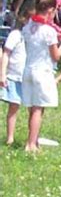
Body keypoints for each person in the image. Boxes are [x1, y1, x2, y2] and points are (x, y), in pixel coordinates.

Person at [22, 0, 61, 152]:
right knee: (38, 109)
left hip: (28, 69)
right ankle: (31, 144)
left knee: (32, 108)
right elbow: (56, 56)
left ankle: (33, 140)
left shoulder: (29, 26)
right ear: (51, 10)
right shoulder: (48, 31)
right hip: (42, 72)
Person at [0, 15, 27, 145]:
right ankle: (10, 137)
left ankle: (31, 138)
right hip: (15, 75)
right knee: (13, 107)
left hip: (29, 77)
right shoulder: (16, 34)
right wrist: (2, 74)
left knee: (33, 108)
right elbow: (6, 54)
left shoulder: (34, 35)